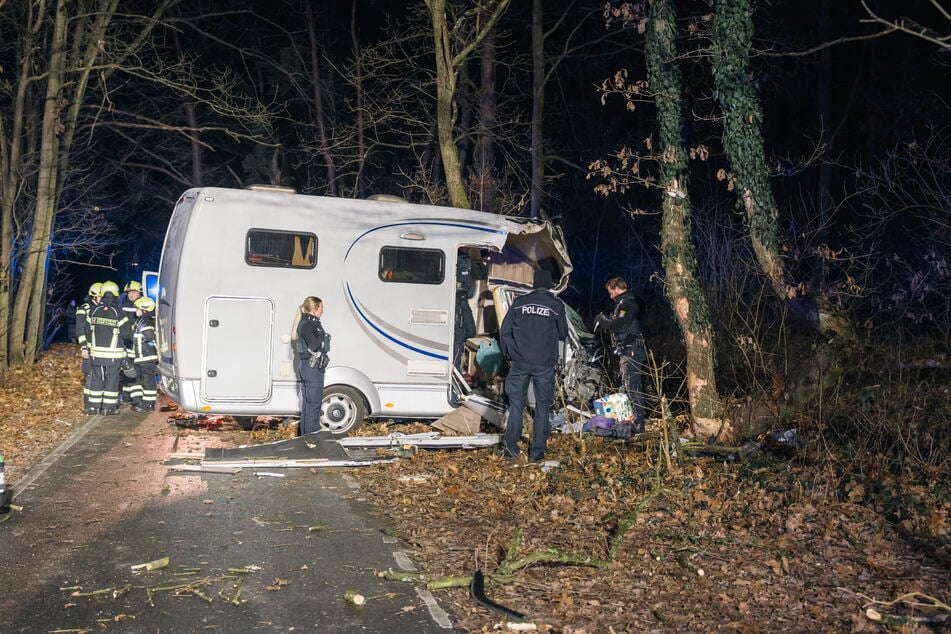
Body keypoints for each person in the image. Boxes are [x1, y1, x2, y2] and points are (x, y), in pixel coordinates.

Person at [498, 269, 568, 462]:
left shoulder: (519, 303)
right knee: (543, 407)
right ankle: (537, 452)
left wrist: (510, 355)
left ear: (534, 284)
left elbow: (505, 332)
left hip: (519, 362)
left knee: (516, 405)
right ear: (549, 286)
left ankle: (510, 449)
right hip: (544, 364)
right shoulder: (556, 305)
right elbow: (563, 333)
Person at [594, 276, 647, 434]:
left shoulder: (628, 303)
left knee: (632, 387)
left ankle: (639, 423)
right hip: (626, 350)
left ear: (617, 288)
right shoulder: (622, 304)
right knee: (626, 386)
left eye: (611, 292)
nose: (610, 296)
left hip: (632, 351)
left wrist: (603, 320)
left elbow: (619, 325)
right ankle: (629, 419)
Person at [86, 281, 131, 415]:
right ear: (116, 294)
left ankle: (94, 407)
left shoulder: (93, 311)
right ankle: (108, 408)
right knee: (112, 379)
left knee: (97, 379)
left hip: (96, 354)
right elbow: (125, 333)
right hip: (113, 354)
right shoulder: (119, 312)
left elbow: (88, 332)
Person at [292, 296, 331, 435]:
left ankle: (306, 437)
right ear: (314, 310)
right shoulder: (309, 324)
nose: (323, 311)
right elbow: (314, 344)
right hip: (312, 367)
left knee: (308, 404)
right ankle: (313, 436)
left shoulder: (307, 322)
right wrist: (324, 337)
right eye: (321, 308)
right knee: (313, 404)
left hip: (309, 367)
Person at [76, 283, 102, 413]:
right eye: (100, 296)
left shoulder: (103, 309)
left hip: (102, 350)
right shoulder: (84, 309)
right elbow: (80, 330)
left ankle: (98, 402)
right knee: (90, 376)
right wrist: (84, 348)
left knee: (101, 376)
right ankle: (88, 403)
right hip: (90, 350)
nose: (102, 299)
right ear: (93, 297)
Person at [130, 296, 158, 411]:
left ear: (144, 309)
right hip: (142, 357)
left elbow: (150, 336)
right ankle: (145, 402)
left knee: (148, 381)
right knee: (144, 380)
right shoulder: (142, 320)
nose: (136, 310)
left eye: (138, 308)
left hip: (146, 357)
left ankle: (149, 404)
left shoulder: (145, 321)